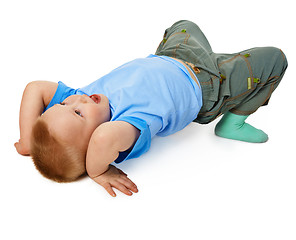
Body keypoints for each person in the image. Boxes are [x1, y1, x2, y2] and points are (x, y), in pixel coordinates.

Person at [14, 20, 288, 197]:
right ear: (96, 144)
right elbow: (102, 139)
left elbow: (34, 88)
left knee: (184, 23)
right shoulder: (127, 125)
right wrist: (97, 170)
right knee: (275, 59)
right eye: (76, 113)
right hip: (210, 88)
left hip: (175, 55)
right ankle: (233, 121)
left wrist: (28, 140)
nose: (77, 99)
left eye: (63, 104)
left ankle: (222, 60)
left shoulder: (83, 99)